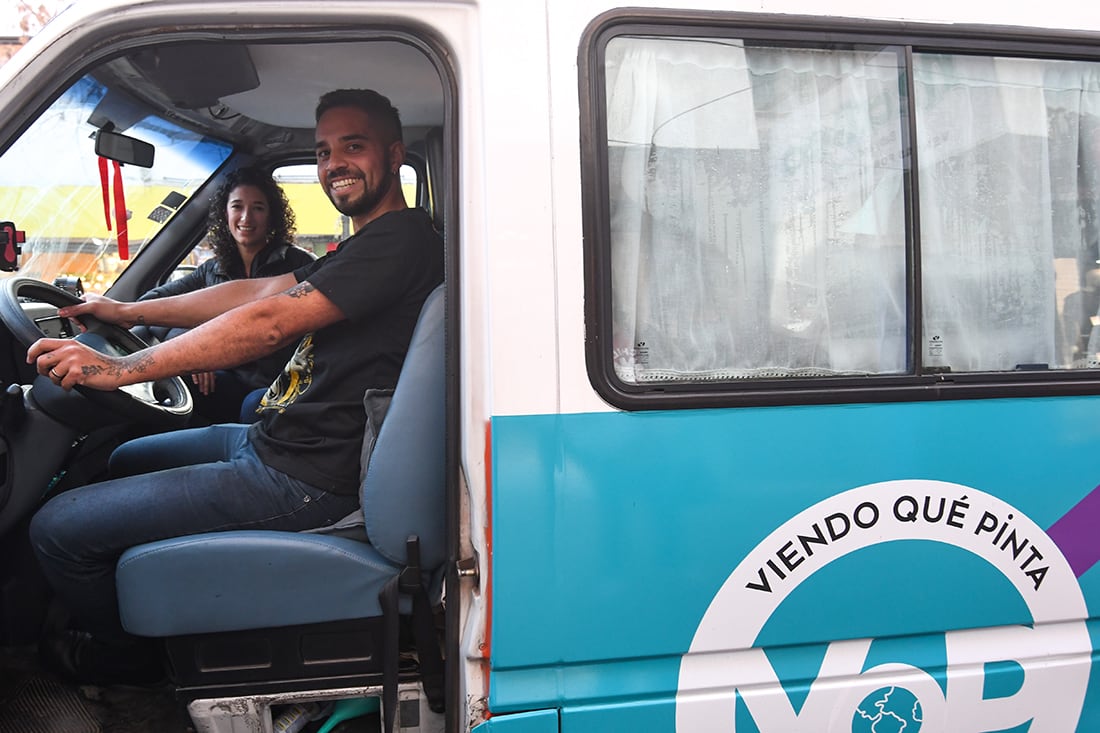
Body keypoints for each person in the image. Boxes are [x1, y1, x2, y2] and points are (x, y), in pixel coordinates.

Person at [26, 88, 444, 685]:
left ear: (396, 153)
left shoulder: (402, 241)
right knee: (121, 458)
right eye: (324, 152)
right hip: (274, 441)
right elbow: (261, 294)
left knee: (56, 529)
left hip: (305, 477)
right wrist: (125, 311)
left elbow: (269, 323)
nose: (335, 165)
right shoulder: (371, 243)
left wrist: (120, 368)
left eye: (354, 146)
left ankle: (130, 660)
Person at [137, 166, 315, 424]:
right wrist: (197, 349)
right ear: (225, 213)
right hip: (227, 380)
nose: (246, 217)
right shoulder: (212, 269)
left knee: (254, 404)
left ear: (271, 216)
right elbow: (151, 305)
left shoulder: (298, 264)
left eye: (258, 208)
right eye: (237, 207)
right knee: (177, 384)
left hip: (279, 383)